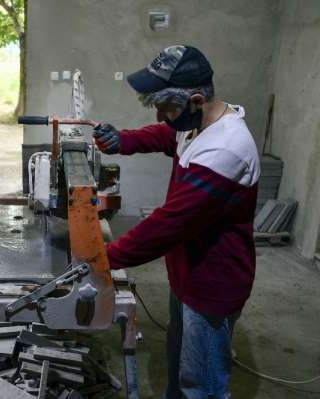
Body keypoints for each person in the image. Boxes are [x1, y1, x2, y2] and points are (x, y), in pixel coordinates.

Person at [93, 45, 260, 398]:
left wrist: (105, 257)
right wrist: (122, 141)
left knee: (202, 387)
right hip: (187, 272)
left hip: (213, 282)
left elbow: (169, 224)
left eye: (167, 108)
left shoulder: (225, 150)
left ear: (196, 99)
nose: (161, 116)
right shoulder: (196, 124)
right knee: (179, 367)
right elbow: (167, 135)